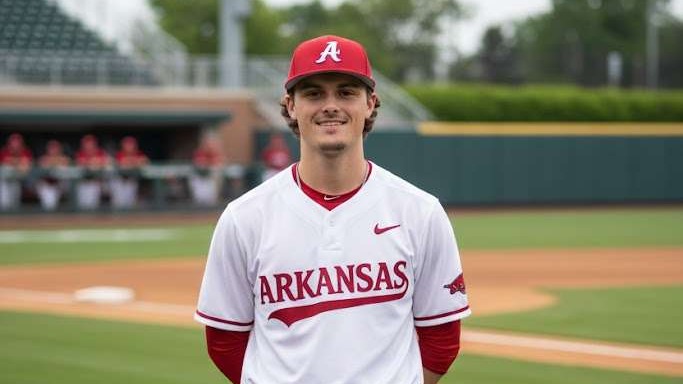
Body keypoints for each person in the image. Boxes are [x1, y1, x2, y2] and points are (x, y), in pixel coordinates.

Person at [195, 35, 470, 384]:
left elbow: (442, 340)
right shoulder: (244, 217)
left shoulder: (420, 212)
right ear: (290, 105)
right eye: (313, 93)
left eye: (345, 92)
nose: (330, 105)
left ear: (370, 103)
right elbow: (224, 342)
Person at [110, 136, 148, 209]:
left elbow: (145, 161)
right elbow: (121, 163)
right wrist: (134, 162)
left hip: (131, 181)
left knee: (129, 204)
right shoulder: (119, 154)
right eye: (127, 144)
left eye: (131, 144)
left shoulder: (138, 153)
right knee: (118, 204)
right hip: (119, 181)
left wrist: (133, 162)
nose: (129, 146)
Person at [75, 134, 110, 210]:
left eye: (91, 143)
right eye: (86, 143)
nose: (88, 145)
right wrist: (94, 163)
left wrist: (93, 163)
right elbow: (80, 163)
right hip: (83, 182)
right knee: (83, 206)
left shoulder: (101, 152)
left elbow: (107, 163)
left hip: (97, 182)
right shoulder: (80, 153)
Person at [0, 133, 33, 210]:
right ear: (9, 143)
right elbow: (3, 164)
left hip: (21, 180)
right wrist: (18, 163)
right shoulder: (4, 152)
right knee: (5, 201)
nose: (15, 145)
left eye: (17, 142)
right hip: (5, 181)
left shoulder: (25, 152)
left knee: (15, 204)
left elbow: (27, 165)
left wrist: (12, 162)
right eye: (13, 142)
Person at [189, 134, 223, 206]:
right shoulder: (199, 152)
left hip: (210, 180)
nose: (208, 144)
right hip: (200, 178)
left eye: (211, 143)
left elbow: (219, 163)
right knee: (200, 199)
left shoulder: (214, 153)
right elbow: (200, 164)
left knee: (210, 200)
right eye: (207, 142)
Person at [36, 140, 70, 211]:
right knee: (49, 204)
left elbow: (66, 161)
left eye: (55, 148)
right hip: (47, 185)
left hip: (59, 185)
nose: (53, 150)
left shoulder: (64, 158)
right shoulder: (43, 159)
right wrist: (54, 162)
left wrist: (53, 162)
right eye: (51, 148)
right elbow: (42, 163)